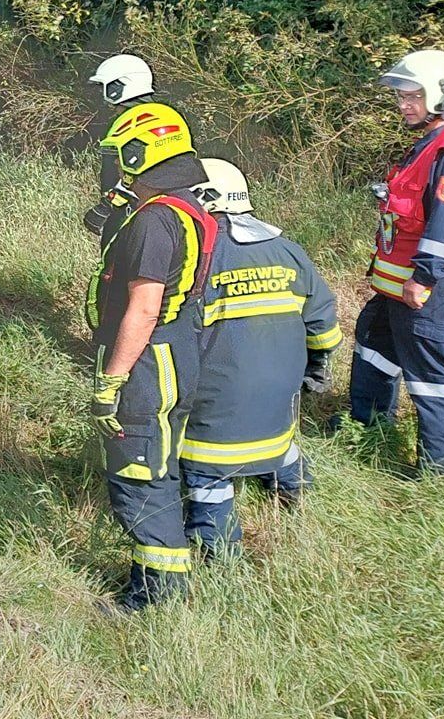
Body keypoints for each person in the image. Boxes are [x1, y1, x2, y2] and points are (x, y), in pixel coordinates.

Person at [87, 104, 216, 609]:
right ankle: (152, 581)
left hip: (147, 365)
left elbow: (142, 309)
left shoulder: (155, 222)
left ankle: (157, 597)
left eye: (121, 157)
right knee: (157, 467)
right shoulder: (186, 210)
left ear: (141, 154)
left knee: (140, 474)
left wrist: (111, 380)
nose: (115, 168)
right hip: (176, 351)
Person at [180, 158, 341, 553]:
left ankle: (220, 556)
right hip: (279, 400)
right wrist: (315, 371)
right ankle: (298, 497)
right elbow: (324, 326)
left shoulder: (194, 257)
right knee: (280, 446)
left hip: (216, 407)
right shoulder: (288, 251)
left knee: (207, 473)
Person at [346, 50, 444, 475]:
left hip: (431, 289)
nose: (403, 105)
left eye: (412, 96)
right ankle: (368, 428)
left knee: (435, 377)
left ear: (443, 94)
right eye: (400, 96)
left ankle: (440, 473)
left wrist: (422, 280)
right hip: (399, 285)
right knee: (373, 344)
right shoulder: (435, 141)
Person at [84, 54, 189, 240]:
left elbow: (125, 173)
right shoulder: (167, 115)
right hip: (182, 206)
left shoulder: (131, 122)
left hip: (135, 212)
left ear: (118, 87)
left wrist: (105, 209)